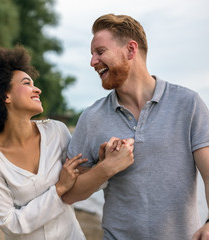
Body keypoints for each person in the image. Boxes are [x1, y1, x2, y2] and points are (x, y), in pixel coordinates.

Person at [62, 13, 209, 240]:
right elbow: (69, 194)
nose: (92, 61)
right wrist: (105, 168)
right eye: (92, 54)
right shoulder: (92, 117)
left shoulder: (188, 104)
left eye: (100, 52)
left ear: (131, 50)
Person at [0, 46, 134, 240]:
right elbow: (9, 223)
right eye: (26, 83)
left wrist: (102, 166)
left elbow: (79, 183)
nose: (37, 89)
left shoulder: (57, 131)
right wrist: (59, 189)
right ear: (5, 96)